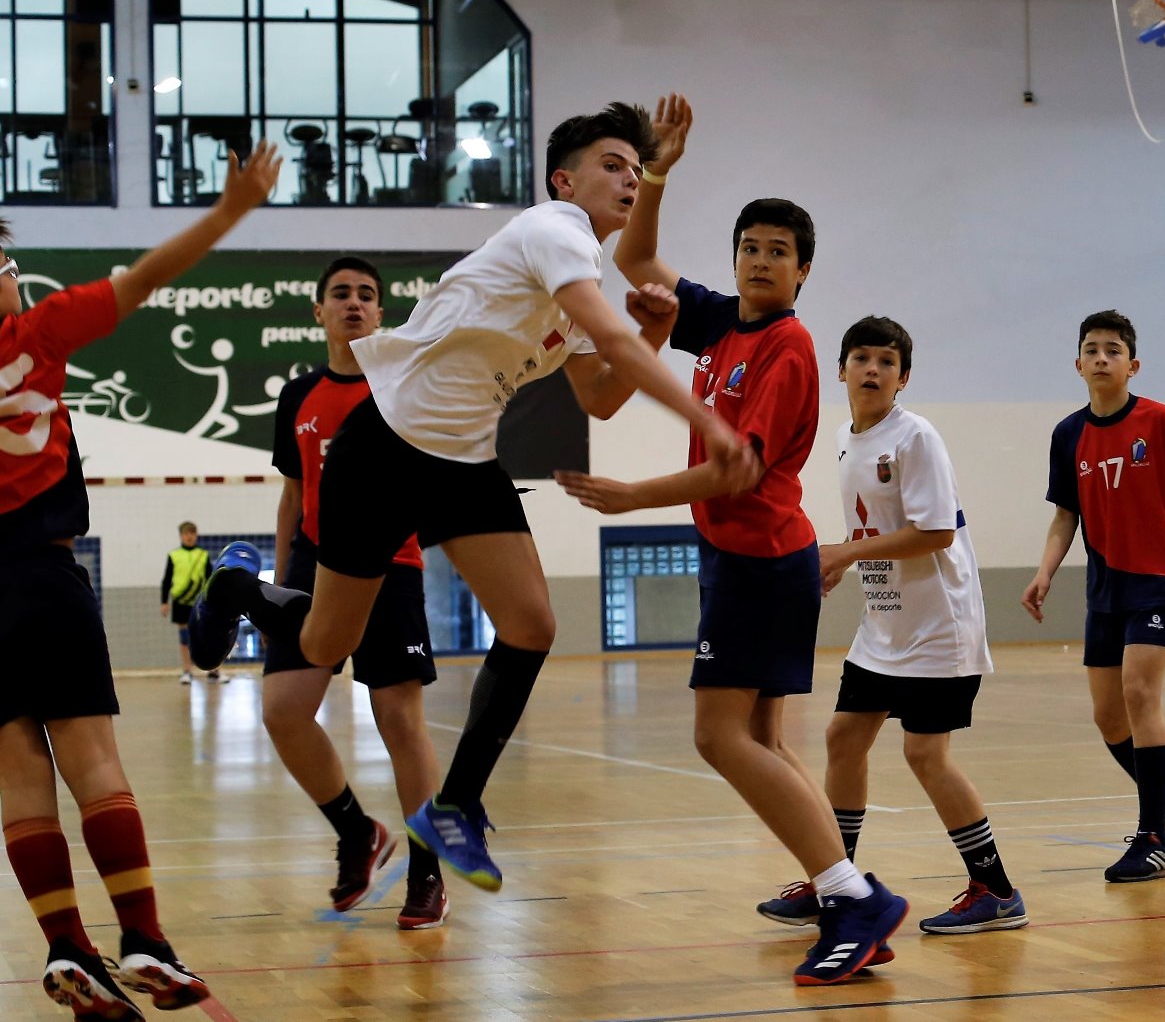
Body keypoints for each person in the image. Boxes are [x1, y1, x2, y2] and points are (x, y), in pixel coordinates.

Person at [187, 102, 754, 895]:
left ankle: (454, 804)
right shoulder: (554, 228)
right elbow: (610, 341)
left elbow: (598, 395)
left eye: (637, 169)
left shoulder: (579, 271)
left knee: (533, 622)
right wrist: (707, 419)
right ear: (565, 181)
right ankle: (235, 587)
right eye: (612, 164)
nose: (629, 179)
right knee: (321, 642)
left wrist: (655, 334)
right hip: (382, 448)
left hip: (461, 458)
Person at [556, 93, 907, 987]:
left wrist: (632, 497)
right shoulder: (723, 322)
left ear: (803, 270)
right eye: (749, 247)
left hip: (762, 559)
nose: (759, 259)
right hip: (743, 559)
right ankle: (843, 891)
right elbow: (635, 258)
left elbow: (734, 472)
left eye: (778, 251)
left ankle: (852, 896)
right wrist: (658, 172)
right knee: (763, 740)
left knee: (718, 737)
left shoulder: (787, 347)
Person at [0, 141, 280, 1020]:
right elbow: (147, 277)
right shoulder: (35, 335)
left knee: (19, 781)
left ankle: (65, 947)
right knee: (94, 764)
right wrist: (230, 210)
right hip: (43, 577)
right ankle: (144, 938)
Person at [755, 315, 1026, 936]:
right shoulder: (846, 439)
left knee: (924, 753)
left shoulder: (915, 437)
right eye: (862, 358)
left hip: (939, 626)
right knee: (843, 740)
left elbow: (936, 532)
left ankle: (997, 890)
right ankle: (839, 884)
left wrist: (844, 553)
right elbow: (875, 527)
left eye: (886, 362)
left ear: (903, 378)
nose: (872, 370)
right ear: (841, 370)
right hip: (885, 623)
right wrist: (840, 564)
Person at [1022, 309, 1165, 883]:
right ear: (1077, 364)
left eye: (1113, 350)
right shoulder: (1068, 434)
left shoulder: (1159, 421)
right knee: (1107, 715)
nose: (1101, 358)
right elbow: (1065, 515)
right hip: (1104, 587)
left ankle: (1153, 838)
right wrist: (1044, 573)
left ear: (1132, 365)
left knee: (1140, 694)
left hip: (1156, 581)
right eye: (1091, 349)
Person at [264, 256, 447, 928]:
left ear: (380, 313)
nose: (353, 303)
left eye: (366, 295)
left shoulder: (402, 386)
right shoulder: (298, 395)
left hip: (390, 561)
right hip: (313, 566)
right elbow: (292, 494)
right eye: (340, 293)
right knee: (282, 710)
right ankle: (355, 830)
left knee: (399, 719)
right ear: (319, 311)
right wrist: (282, 579)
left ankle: (427, 871)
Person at [160, 521, 222, 684]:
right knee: (184, 637)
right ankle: (187, 671)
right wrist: (164, 601)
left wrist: (213, 600)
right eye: (186, 533)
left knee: (207, 636)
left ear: (196, 535)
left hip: (200, 602)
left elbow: (210, 579)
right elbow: (167, 579)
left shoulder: (203, 555)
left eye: (192, 533)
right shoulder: (174, 555)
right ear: (181, 536)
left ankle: (213, 670)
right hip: (180, 601)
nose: (189, 536)